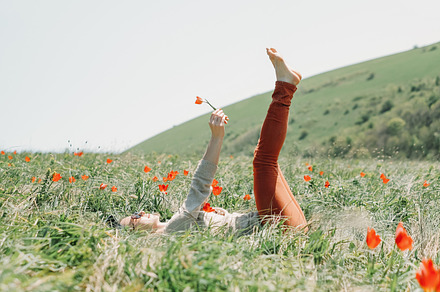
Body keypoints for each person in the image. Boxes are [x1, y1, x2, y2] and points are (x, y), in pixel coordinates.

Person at [120, 48, 308, 234]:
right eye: (136, 217)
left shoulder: (177, 227)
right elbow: (200, 183)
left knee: (267, 160)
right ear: (138, 232)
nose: (141, 212)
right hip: (278, 225)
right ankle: (285, 86)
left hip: (286, 225)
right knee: (264, 161)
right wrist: (217, 136)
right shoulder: (173, 228)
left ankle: (287, 85)